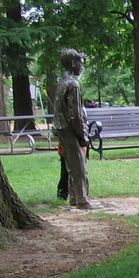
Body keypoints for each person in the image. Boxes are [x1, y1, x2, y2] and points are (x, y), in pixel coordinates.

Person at [52, 49, 94, 209]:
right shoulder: (73, 84)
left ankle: (75, 198)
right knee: (78, 166)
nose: (82, 67)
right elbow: (75, 114)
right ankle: (82, 199)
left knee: (70, 165)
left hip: (61, 128)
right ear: (73, 63)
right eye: (81, 64)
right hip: (70, 129)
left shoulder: (63, 82)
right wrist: (83, 134)